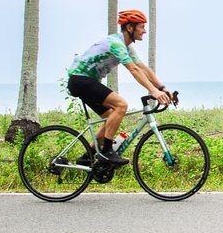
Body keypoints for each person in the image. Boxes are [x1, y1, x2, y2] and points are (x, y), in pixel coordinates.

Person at [66, 10, 171, 165]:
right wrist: (153, 91)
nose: (144, 30)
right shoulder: (116, 44)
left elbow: (142, 68)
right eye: (141, 27)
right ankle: (107, 152)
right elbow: (133, 70)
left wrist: (162, 88)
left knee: (110, 118)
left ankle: (87, 157)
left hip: (86, 81)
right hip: (81, 80)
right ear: (130, 28)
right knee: (121, 105)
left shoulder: (127, 47)